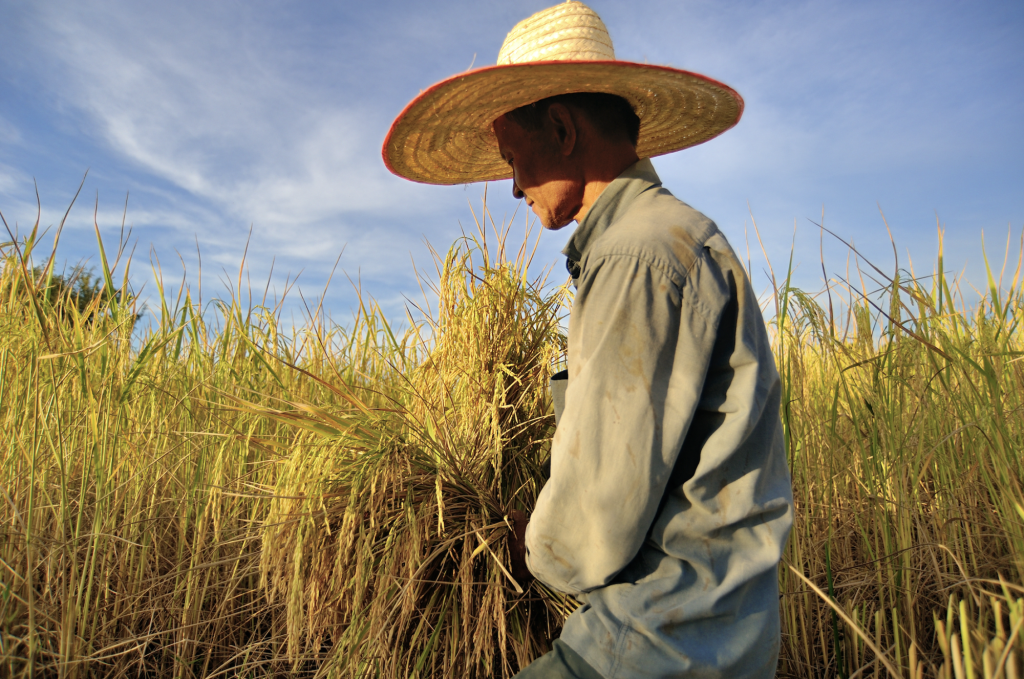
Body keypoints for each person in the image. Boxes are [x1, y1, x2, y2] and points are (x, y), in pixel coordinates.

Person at [383, 3, 794, 678]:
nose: (514, 186)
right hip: (705, 635)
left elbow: (598, 517)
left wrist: (533, 540)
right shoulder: (663, 240)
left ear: (563, 128)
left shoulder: (637, 256)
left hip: (658, 641)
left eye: (515, 159)